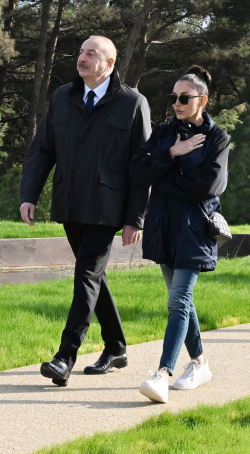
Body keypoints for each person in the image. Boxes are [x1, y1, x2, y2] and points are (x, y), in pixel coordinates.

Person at [21, 36, 151, 386]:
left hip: (107, 207)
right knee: (93, 276)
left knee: (85, 277)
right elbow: (42, 149)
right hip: (70, 201)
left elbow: (143, 168)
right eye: (80, 52)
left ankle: (65, 357)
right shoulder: (63, 97)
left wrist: (134, 218)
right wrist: (29, 194)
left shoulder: (132, 103)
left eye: (91, 54)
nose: (82, 58)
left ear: (109, 64)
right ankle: (116, 346)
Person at [129, 66, 229, 403]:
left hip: (196, 230)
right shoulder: (163, 133)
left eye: (183, 98)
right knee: (180, 299)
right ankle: (200, 363)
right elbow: (137, 171)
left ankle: (162, 374)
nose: (176, 103)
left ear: (202, 100)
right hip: (163, 227)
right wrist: (173, 153)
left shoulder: (217, 138)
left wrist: (164, 178)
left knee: (178, 301)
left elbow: (209, 185)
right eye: (173, 97)